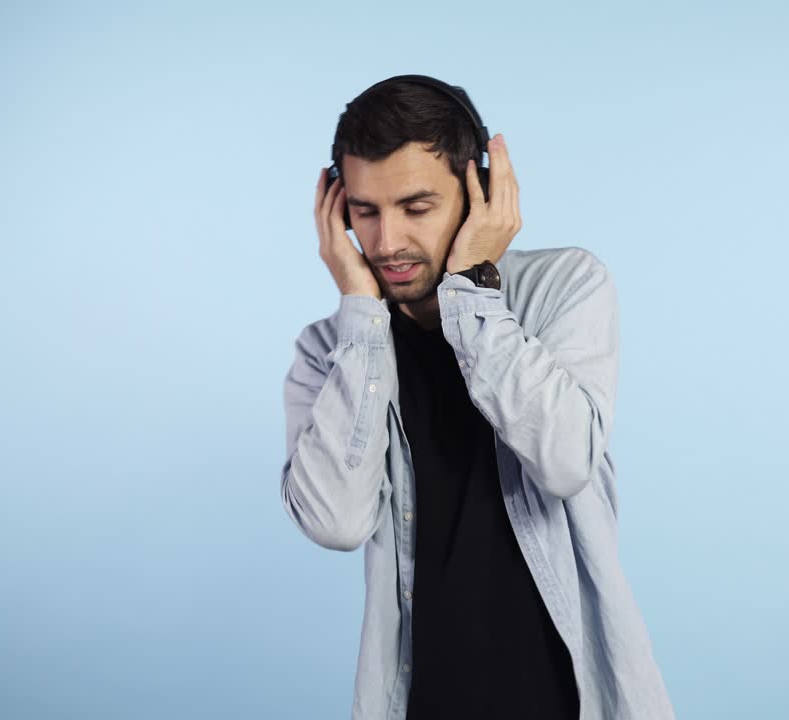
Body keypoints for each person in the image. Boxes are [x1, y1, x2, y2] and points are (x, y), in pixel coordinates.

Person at [280, 75, 676, 720]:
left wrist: (470, 288)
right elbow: (335, 523)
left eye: (416, 207)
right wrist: (361, 318)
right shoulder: (328, 351)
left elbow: (566, 461)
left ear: (480, 195)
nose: (386, 242)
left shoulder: (565, 286)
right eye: (365, 211)